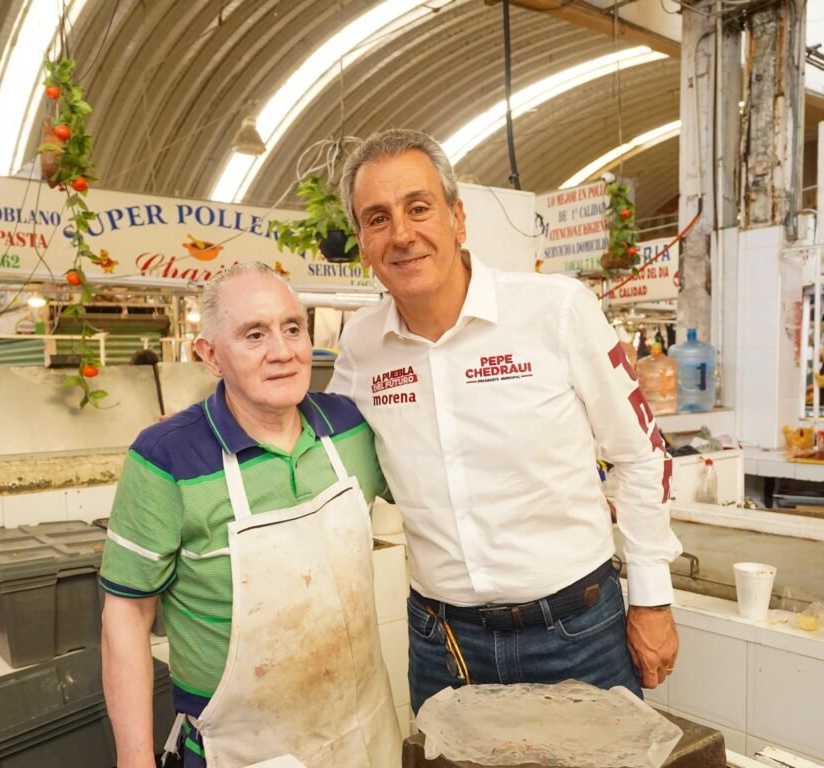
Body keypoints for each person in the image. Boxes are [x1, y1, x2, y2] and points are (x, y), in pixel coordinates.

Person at [329, 129, 683, 713]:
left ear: (457, 219)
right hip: (445, 646)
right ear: (363, 243)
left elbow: (641, 453)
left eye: (419, 208)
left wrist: (651, 598)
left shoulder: (556, 309)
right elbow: (330, 470)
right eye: (377, 218)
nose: (402, 234)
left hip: (577, 633)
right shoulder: (362, 346)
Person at [100, 262, 401, 768]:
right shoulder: (166, 456)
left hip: (361, 730)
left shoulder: (349, 426)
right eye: (254, 335)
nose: (282, 352)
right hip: (242, 747)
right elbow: (127, 614)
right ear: (211, 355)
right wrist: (134, 761)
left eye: (292, 328)